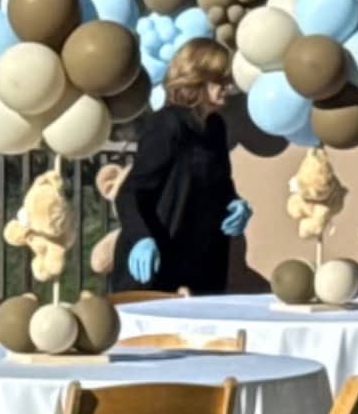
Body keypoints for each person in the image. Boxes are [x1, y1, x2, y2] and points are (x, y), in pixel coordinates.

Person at [103, 38, 251, 295]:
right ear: (196, 80)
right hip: (157, 263)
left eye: (228, 80)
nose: (227, 87)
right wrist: (141, 238)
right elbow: (131, 192)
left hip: (201, 264)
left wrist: (236, 204)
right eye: (219, 80)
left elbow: (220, 184)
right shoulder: (167, 125)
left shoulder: (215, 127)